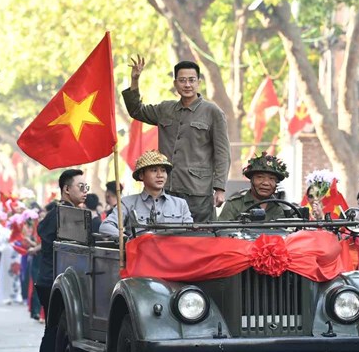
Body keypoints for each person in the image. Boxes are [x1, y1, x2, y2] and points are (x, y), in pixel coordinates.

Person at [36, 169, 114, 352]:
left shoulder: (70, 213)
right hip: (53, 281)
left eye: (86, 187)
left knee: (75, 332)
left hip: (67, 280)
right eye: (80, 186)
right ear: (66, 189)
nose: (84, 191)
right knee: (55, 332)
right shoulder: (61, 214)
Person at [122, 57, 231, 222]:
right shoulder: (166, 109)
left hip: (197, 192)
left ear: (198, 82)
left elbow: (222, 153)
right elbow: (136, 111)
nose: (187, 85)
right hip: (167, 190)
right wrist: (135, 79)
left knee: (199, 239)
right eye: (182, 80)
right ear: (175, 83)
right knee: (167, 238)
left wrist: (220, 188)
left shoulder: (212, 112)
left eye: (191, 80)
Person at [100, 151, 192, 236]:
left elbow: (191, 233)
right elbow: (106, 226)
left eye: (163, 170)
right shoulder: (127, 203)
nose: (160, 175)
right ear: (141, 175)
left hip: (172, 252)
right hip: (140, 253)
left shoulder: (180, 204)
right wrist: (127, 240)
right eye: (154, 170)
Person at [219, 152, 290, 221]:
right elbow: (222, 231)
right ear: (251, 180)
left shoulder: (280, 207)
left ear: (276, 183)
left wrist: (286, 208)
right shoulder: (234, 205)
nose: (266, 183)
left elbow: (294, 229)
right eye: (260, 177)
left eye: (271, 178)